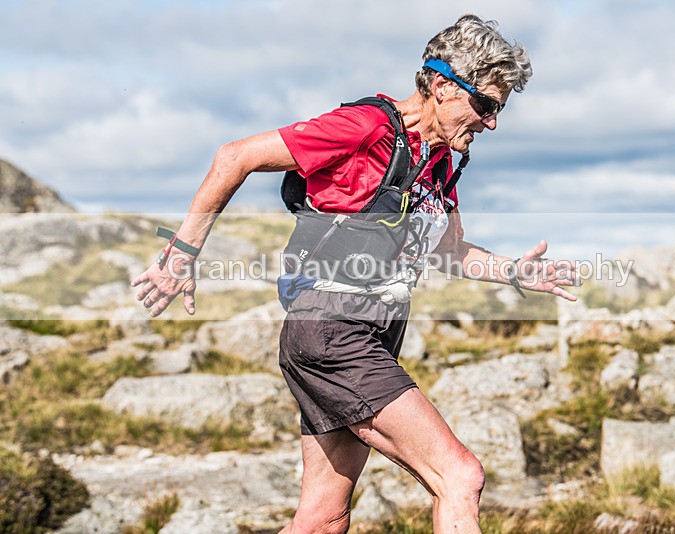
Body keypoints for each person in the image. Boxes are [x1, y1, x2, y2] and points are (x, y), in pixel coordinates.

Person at [132, 14, 577, 533]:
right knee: (460, 476)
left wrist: (515, 273)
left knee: (323, 519)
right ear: (442, 86)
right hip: (331, 330)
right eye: (486, 105)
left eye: (499, 109)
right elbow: (236, 156)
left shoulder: (439, 161)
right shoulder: (366, 128)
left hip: (372, 332)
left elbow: (450, 251)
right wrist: (183, 253)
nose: (492, 123)